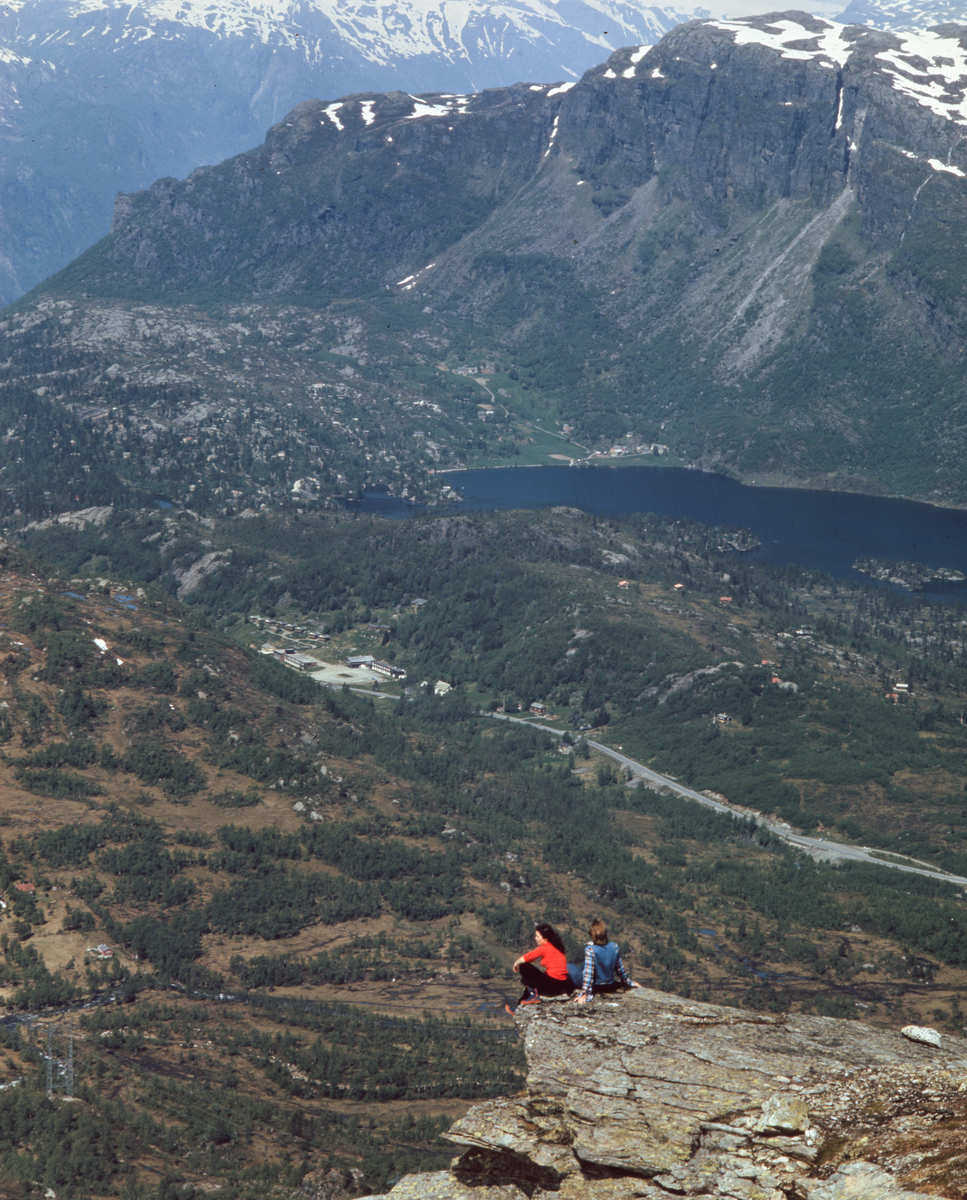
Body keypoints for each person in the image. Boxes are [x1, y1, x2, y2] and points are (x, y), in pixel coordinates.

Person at [505, 922, 574, 1013]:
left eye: (538, 936)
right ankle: (519, 1008)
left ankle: (533, 996)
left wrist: (517, 963)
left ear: (545, 937)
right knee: (531, 984)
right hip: (561, 986)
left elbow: (527, 958)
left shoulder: (545, 948)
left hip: (553, 987)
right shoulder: (556, 946)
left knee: (524, 966)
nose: (535, 938)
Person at [569, 919, 640, 1004]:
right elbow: (620, 969)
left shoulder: (590, 950)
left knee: (569, 966)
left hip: (595, 985)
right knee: (584, 965)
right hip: (609, 985)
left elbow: (589, 974)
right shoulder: (614, 946)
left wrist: (584, 993)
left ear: (592, 935)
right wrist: (629, 982)